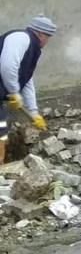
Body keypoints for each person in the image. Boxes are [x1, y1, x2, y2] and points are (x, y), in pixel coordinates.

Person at [0, 15, 55, 163]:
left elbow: (27, 79)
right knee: (0, 128)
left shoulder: (33, 49)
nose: (47, 40)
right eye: (48, 36)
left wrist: (34, 112)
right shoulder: (21, 38)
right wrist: (14, 91)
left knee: (2, 127)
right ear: (40, 33)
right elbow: (7, 65)